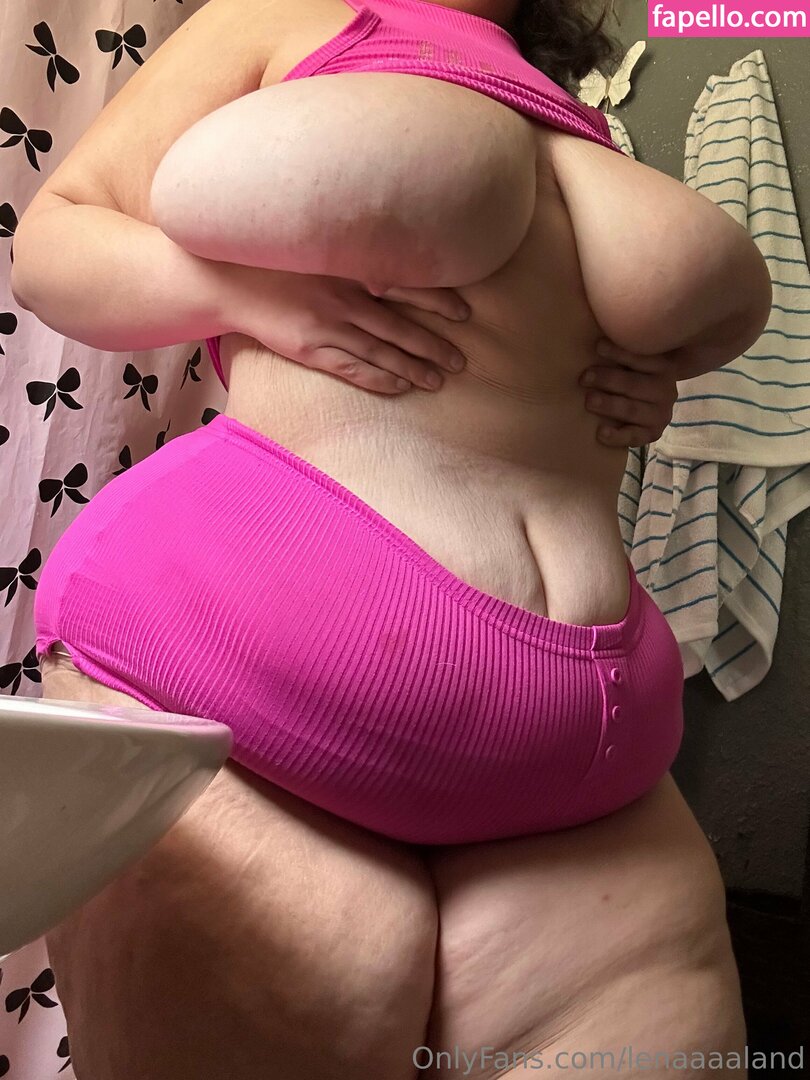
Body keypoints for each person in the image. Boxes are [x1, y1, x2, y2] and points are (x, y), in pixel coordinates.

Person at [11, 0, 772, 1074]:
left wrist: (637, 374)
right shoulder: (285, 15)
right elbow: (53, 243)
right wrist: (240, 296)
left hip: (588, 747)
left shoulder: (565, 102)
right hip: (247, 689)